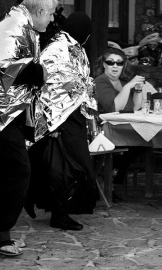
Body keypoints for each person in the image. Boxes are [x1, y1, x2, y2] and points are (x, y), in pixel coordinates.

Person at [0, 0, 58, 257]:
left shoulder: (21, 24)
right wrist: (39, 71)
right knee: (17, 169)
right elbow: (2, 67)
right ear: (38, 11)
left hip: (5, 112)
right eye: (50, 14)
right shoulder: (13, 26)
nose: (51, 20)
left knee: (14, 170)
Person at [25, 12, 98, 230]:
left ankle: (57, 210)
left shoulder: (72, 45)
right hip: (59, 116)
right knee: (66, 167)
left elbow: (77, 79)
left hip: (71, 115)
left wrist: (85, 88)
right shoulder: (59, 47)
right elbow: (57, 81)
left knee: (66, 166)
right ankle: (59, 213)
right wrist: (85, 88)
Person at [93, 47, 157, 200]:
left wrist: (138, 90)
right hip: (104, 130)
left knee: (145, 140)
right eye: (110, 62)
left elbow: (135, 107)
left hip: (122, 127)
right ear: (104, 64)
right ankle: (109, 178)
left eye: (119, 63)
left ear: (123, 65)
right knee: (136, 142)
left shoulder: (122, 82)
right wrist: (129, 86)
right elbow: (114, 108)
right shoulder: (100, 81)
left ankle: (112, 177)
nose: (115, 66)